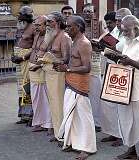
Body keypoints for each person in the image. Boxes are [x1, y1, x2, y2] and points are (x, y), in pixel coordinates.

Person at [105, 15, 139, 160]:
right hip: (125, 88)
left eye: (126, 31)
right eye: (122, 31)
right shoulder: (128, 41)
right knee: (127, 121)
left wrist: (131, 62)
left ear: (135, 28)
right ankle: (131, 150)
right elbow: (125, 59)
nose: (124, 34)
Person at [57, 15, 97, 160]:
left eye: (69, 26)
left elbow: (87, 67)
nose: (67, 29)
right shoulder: (74, 41)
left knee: (84, 117)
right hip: (71, 83)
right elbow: (72, 62)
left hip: (80, 85)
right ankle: (73, 142)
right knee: (72, 116)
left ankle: (87, 148)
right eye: (66, 26)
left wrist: (67, 69)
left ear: (78, 27)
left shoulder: (84, 43)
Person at [100, 8, 132, 147]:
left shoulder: (131, 32)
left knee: (121, 105)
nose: (118, 23)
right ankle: (113, 132)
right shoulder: (113, 32)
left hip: (124, 71)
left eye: (120, 20)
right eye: (117, 20)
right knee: (109, 103)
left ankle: (122, 134)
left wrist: (115, 49)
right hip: (110, 67)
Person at [42, 11, 72, 142]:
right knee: (53, 104)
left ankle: (63, 134)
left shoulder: (64, 37)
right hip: (49, 73)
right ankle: (57, 132)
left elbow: (66, 59)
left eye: (50, 21)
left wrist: (52, 58)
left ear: (58, 23)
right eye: (47, 21)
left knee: (59, 104)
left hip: (59, 74)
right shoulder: (50, 35)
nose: (47, 24)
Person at [27, 16, 53, 133]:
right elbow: (33, 50)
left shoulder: (50, 37)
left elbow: (49, 56)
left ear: (45, 25)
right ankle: (39, 122)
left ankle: (49, 124)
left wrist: (39, 65)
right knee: (36, 98)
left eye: (38, 25)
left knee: (45, 98)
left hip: (42, 69)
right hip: (32, 69)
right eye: (35, 25)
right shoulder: (37, 35)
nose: (36, 28)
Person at [11, 6, 34, 127]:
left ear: (29, 15)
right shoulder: (20, 26)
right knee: (20, 89)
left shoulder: (34, 28)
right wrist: (13, 55)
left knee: (27, 87)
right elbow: (16, 42)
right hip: (18, 61)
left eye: (22, 14)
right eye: (19, 14)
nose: (19, 16)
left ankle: (31, 115)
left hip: (26, 61)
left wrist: (23, 57)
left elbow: (35, 48)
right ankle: (23, 115)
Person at [82, 3, 102, 132]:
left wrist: (98, 44)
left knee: (95, 94)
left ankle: (97, 122)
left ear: (94, 13)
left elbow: (104, 43)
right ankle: (86, 121)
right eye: (85, 11)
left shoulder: (99, 25)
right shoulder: (80, 25)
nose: (87, 14)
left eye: (90, 11)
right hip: (82, 63)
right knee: (84, 94)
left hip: (94, 62)